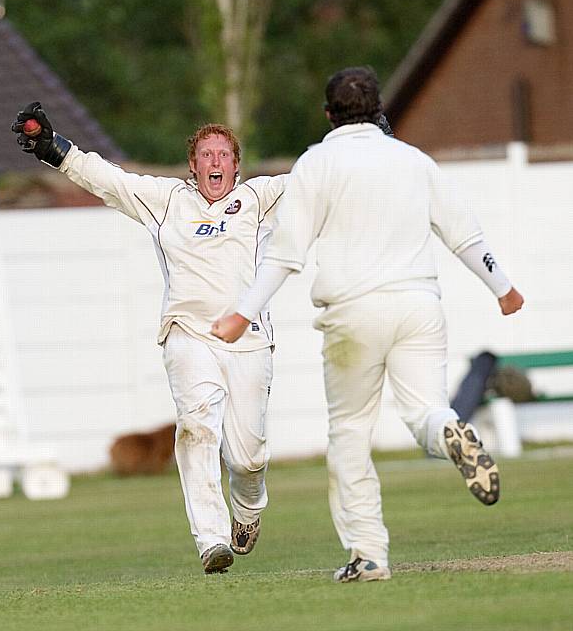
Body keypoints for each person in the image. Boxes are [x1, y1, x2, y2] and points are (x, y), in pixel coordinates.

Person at [211, 66, 524, 583]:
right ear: (380, 110)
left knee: (351, 435)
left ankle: (369, 555)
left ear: (328, 114)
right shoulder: (413, 161)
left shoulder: (316, 164)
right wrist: (503, 287)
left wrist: (243, 312)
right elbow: (464, 234)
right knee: (427, 410)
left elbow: (285, 256)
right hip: (419, 306)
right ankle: (449, 430)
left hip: (353, 316)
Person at [11, 102, 287, 574]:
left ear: (236, 166)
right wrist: (53, 150)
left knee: (247, 457)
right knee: (196, 429)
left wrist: (364, 134)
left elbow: (321, 178)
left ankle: (248, 508)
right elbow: (109, 179)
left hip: (247, 339)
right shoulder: (167, 200)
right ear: (193, 166)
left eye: (224, 155)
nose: (215, 162)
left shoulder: (260, 198)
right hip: (187, 336)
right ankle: (212, 540)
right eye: (206, 155)